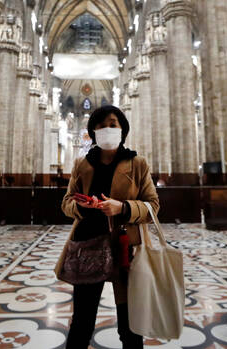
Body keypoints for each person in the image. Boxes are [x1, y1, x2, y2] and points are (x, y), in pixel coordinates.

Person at [55, 105, 160, 349]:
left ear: (122, 129)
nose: (107, 130)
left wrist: (122, 207)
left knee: (130, 326)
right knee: (81, 323)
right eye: (101, 126)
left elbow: (153, 206)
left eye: (113, 124)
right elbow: (66, 202)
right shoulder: (82, 164)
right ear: (93, 132)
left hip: (126, 248)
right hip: (88, 247)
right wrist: (82, 207)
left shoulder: (137, 163)